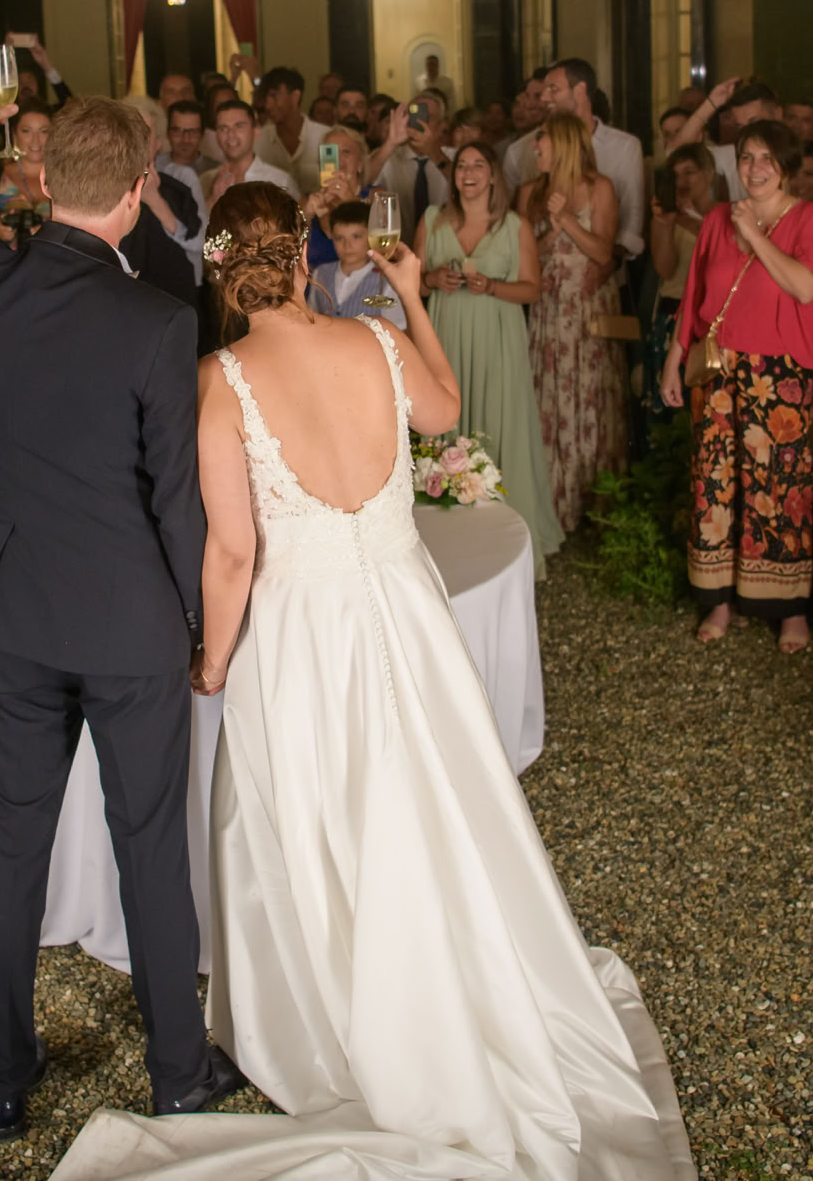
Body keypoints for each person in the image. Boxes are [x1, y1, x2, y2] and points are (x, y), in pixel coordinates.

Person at [56, 184, 694, 1181]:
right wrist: (415, 300)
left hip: (303, 629)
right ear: (302, 254)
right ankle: (455, 977)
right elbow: (445, 410)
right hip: (404, 610)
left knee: (322, 812)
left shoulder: (220, 379)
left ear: (222, 267)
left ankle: (345, 1012)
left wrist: (212, 658)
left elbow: (232, 552)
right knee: (432, 795)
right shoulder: (377, 340)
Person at [0, 92, 241, 1139]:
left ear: (44, 181)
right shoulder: (157, 321)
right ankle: (176, 1073)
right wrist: (198, 627)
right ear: (138, 193)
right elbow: (175, 499)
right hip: (131, 625)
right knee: (149, 844)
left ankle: (2, 1081)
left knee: (10, 841)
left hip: (11, 613)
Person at [661, 121, 813, 654]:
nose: (756, 168)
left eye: (768, 158)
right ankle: (719, 600)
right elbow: (694, 294)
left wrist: (755, 235)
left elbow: (805, 287)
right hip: (717, 370)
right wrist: (674, 359)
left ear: (786, 166)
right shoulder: (716, 219)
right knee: (714, 485)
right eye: (747, 157)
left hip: (780, 377)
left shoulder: (805, 219)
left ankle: (791, 608)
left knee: (781, 488)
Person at [420, 141, 563, 578]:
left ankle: (508, 545)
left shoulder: (515, 225)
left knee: (500, 427)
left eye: (478, 165)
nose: (468, 172)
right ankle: (449, 543)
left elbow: (532, 289)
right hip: (446, 335)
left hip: (498, 340)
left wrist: (493, 287)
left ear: (493, 175)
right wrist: (433, 278)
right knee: (446, 426)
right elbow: (414, 284)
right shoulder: (432, 219)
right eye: (462, 165)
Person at [520, 115, 628, 532]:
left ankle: (595, 505)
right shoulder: (530, 192)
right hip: (548, 312)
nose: (535, 148)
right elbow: (521, 255)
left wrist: (566, 219)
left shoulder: (600, 188)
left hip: (587, 312)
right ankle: (554, 502)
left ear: (563, 143)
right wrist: (549, 236)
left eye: (541, 140)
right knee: (551, 397)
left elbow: (603, 253)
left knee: (592, 397)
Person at [505, 59, 645, 260]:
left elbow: (632, 220)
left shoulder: (625, 147)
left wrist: (605, 266)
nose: (544, 97)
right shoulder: (520, 150)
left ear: (579, 90)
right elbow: (512, 232)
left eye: (553, 89)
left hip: (604, 269)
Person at [644, 144, 716, 420]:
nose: (682, 181)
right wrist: (667, 224)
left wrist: (692, 221)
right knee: (673, 410)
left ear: (708, 173)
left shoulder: (726, 214)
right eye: (675, 175)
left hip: (711, 318)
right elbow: (665, 269)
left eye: (690, 172)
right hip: (673, 313)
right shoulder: (666, 217)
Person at [122, 97, 206, 284]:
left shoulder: (181, 178)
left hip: (176, 287)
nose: (136, 141)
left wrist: (155, 200)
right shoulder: (104, 182)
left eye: (144, 134)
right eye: (129, 131)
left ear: (158, 143)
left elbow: (201, 241)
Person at [665, 77, 785, 204]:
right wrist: (711, 104)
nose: (748, 133)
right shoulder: (731, 155)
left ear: (777, 114)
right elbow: (676, 152)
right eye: (741, 127)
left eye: (754, 123)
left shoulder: (796, 154)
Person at [306, 197, 406, 327]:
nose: (347, 245)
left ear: (371, 237)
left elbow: (399, 329)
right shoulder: (321, 273)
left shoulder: (386, 280)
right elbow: (311, 319)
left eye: (356, 237)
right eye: (339, 238)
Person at [365, 93, 449, 246]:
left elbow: (461, 182)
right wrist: (391, 142)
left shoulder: (452, 156)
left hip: (443, 248)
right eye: (415, 116)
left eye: (428, 116)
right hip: (396, 246)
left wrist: (434, 153)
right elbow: (363, 181)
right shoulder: (387, 156)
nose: (421, 122)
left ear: (441, 125)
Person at [0, 98, 53, 241]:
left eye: (43, 131)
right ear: (14, 135)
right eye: (26, 131)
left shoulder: (67, 180)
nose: (36, 140)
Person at [203, 100, 297, 205]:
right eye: (223, 128)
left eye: (239, 126)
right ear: (216, 135)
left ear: (255, 132)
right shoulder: (206, 180)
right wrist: (213, 199)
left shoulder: (279, 181)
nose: (230, 135)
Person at [302, 122, 370, 268]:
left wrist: (352, 202)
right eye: (329, 152)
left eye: (346, 151)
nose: (337, 158)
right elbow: (287, 250)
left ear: (360, 164)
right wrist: (306, 216)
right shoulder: (307, 201)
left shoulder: (375, 196)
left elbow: (382, 249)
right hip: (314, 281)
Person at [254, 67, 323, 195]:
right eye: (266, 98)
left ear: (295, 96)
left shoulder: (324, 137)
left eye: (274, 96)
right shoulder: (258, 140)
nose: (268, 105)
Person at [160, 100, 215, 180]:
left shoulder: (215, 172)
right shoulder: (153, 167)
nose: (185, 140)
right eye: (178, 131)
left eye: (193, 132)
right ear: (167, 132)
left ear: (202, 134)